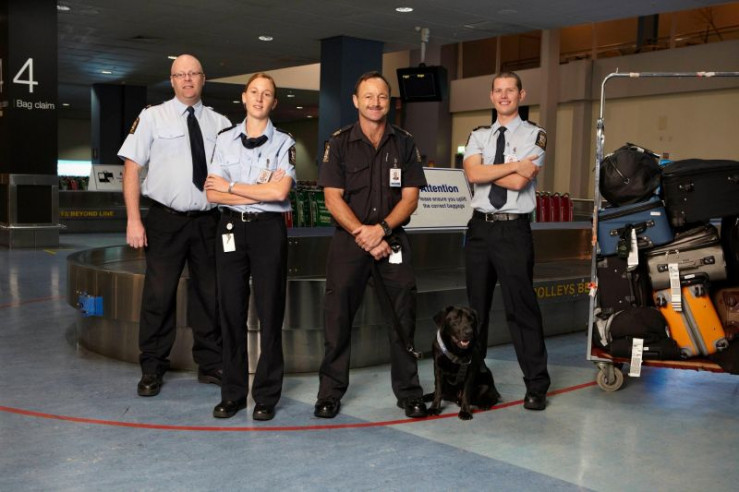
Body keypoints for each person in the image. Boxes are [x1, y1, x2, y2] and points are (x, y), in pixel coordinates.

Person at [314, 71, 428, 419]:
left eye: (381, 96)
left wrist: (381, 230)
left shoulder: (404, 143)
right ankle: (329, 394)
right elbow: (332, 198)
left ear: (389, 102)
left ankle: (409, 393)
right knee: (337, 320)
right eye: (368, 96)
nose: (375, 103)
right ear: (355, 101)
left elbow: (410, 199)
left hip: (392, 240)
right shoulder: (339, 143)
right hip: (349, 243)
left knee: (403, 319)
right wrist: (364, 234)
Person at [119, 54, 231, 397]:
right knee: (159, 294)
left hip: (208, 221)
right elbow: (131, 170)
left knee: (210, 294)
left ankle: (210, 363)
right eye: (180, 75)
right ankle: (152, 366)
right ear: (171, 80)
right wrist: (134, 219)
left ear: (203, 78)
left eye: (193, 73)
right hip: (165, 220)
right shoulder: (152, 117)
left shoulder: (221, 123)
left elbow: (231, 175)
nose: (187, 80)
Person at [204, 73, 295, 420]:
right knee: (230, 310)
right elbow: (212, 194)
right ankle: (232, 394)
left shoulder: (284, 143)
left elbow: (280, 192)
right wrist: (254, 192)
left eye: (266, 94)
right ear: (243, 97)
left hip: (268, 231)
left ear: (274, 102)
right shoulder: (224, 139)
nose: (259, 98)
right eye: (254, 92)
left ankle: (266, 396)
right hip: (230, 228)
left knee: (271, 312)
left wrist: (232, 186)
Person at [462, 71, 551, 411]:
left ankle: (536, 385)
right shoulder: (478, 134)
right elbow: (472, 173)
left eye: (510, 90)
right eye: (498, 90)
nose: (503, 96)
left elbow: (519, 183)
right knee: (476, 312)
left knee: (521, 309)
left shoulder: (536, 135)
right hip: (480, 230)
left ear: (521, 95)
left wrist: (489, 168)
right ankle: (475, 383)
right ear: (491, 96)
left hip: (513, 231)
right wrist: (512, 165)